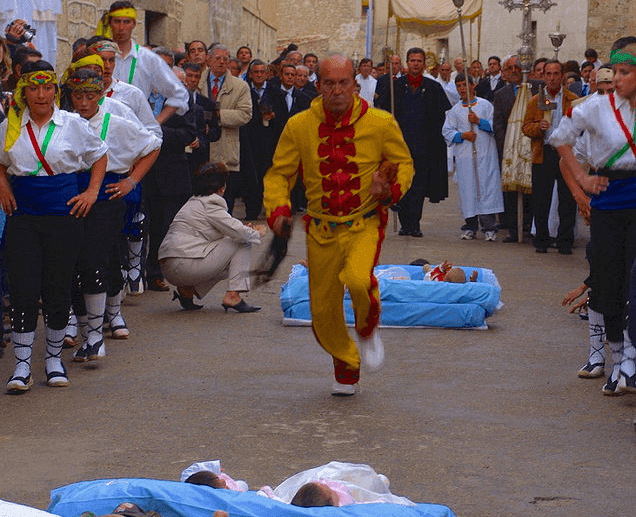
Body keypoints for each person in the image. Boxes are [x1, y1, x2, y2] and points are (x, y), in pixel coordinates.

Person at [263, 54, 414, 395]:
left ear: (354, 84)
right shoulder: (299, 125)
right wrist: (279, 210)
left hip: (365, 221)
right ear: (319, 86)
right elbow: (280, 174)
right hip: (321, 230)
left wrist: (388, 187)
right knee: (323, 311)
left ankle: (367, 327)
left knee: (359, 280)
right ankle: (347, 368)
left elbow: (402, 163)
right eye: (329, 83)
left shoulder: (380, 122)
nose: (336, 90)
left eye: (342, 82)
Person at [0, 60, 108, 392]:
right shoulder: (9, 126)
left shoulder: (72, 124)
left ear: (55, 91)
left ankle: (52, 360)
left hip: (64, 217)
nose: (41, 95)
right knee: (23, 288)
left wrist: (91, 192)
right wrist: (3, 186)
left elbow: (99, 156)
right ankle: (21, 366)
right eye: (34, 88)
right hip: (23, 216)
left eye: (47, 88)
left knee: (58, 286)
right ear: (23, 91)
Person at [551, 36, 636, 395]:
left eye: (624, 72)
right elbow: (560, 138)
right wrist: (582, 179)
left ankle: (629, 356)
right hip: (608, 201)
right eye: (613, 71)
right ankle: (616, 358)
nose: (617, 79)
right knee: (608, 281)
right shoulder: (596, 107)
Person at [65, 68, 160, 361]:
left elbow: (152, 145)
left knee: (98, 258)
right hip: (69, 195)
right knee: (72, 262)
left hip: (106, 195)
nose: (83, 103)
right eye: (78, 96)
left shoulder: (116, 122)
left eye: (90, 96)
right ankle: (82, 329)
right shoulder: (63, 122)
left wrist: (131, 180)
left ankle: (97, 334)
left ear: (101, 95)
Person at [159, 163, 265, 311]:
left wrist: (241, 229)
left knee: (232, 255)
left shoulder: (193, 202)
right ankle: (233, 296)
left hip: (169, 267)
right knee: (243, 242)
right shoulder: (212, 203)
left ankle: (187, 291)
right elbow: (238, 232)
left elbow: (226, 228)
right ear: (222, 187)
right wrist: (256, 232)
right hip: (184, 265)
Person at [376, 47, 451, 238]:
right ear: (406, 63)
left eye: (419, 61)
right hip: (400, 146)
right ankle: (404, 223)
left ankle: (414, 223)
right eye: (412, 60)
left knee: (418, 186)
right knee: (403, 185)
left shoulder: (433, 88)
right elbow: (382, 113)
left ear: (424, 64)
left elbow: (442, 116)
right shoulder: (396, 87)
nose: (415, 64)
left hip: (424, 147)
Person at [98, 1, 189, 123]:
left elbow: (179, 93)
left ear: (134, 24)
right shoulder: (98, 55)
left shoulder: (147, 59)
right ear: (110, 23)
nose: (121, 28)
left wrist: (155, 123)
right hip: (99, 124)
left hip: (133, 128)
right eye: (117, 21)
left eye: (126, 22)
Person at [522, 59, 579, 254]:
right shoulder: (536, 100)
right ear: (543, 76)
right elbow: (525, 127)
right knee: (541, 199)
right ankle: (541, 239)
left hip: (566, 153)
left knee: (567, 199)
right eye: (549, 74)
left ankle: (565, 241)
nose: (552, 78)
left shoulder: (572, 99)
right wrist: (538, 127)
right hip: (544, 152)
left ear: (562, 76)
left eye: (556, 74)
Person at [442, 74, 503, 241]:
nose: (462, 89)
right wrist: (462, 135)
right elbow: (446, 131)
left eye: (464, 85)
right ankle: (470, 225)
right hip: (465, 157)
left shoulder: (485, 105)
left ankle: (489, 227)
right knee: (468, 190)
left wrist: (479, 121)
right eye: (459, 86)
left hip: (485, 155)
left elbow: (496, 125)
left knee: (486, 189)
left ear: (472, 85)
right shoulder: (455, 110)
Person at [201, 44, 252, 214]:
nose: (222, 62)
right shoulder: (196, 81)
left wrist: (219, 115)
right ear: (208, 60)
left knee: (224, 200)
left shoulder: (240, 86)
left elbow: (245, 114)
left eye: (225, 59)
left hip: (225, 148)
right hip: (199, 147)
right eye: (217, 58)